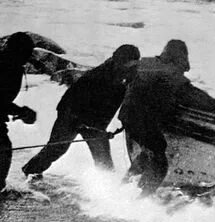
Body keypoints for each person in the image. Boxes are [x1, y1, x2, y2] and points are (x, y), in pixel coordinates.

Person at [119, 40, 215, 195]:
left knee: (148, 152)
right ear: (178, 59)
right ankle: (140, 201)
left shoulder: (145, 64)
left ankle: (123, 189)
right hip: (142, 119)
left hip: (127, 115)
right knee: (159, 163)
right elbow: (194, 96)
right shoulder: (170, 73)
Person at [21, 44, 140, 179]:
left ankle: (107, 185)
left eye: (133, 64)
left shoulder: (127, 74)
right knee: (57, 147)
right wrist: (92, 128)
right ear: (118, 60)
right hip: (71, 114)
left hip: (95, 121)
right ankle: (31, 170)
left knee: (103, 157)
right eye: (127, 64)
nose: (130, 67)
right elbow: (79, 103)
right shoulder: (99, 76)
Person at [0, 32, 37, 193]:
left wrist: (20, 112)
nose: (28, 58)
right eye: (25, 53)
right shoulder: (5, 66)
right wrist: (20, 111)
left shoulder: (14, 66)